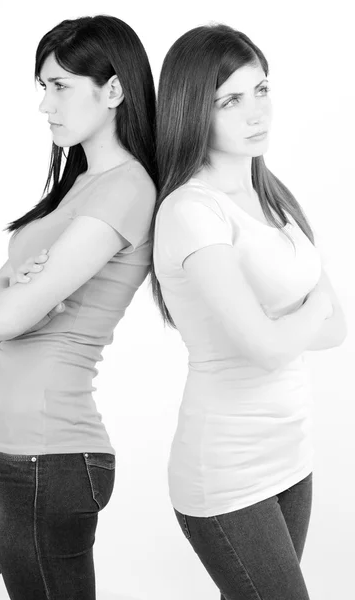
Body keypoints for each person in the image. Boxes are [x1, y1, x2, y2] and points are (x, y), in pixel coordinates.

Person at [0, 15, 156, 600]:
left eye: (60, 86)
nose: (46, 105)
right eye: (42, 87)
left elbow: (1, 318)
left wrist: (11, 301)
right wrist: (10, 297)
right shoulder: (77, 190)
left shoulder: (127, 188)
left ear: (114, 91)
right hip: (1, 450)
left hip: (48, 457)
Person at [152, 23, 346, 600]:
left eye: (261, 90)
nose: (256, 111)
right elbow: (266, 346)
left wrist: (297, 322)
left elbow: (338, 327)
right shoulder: (191, 211)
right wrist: (307, 314)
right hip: (228, 470)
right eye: (230, 100)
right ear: (193, 110)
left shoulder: (272, 195)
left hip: (292, 452)